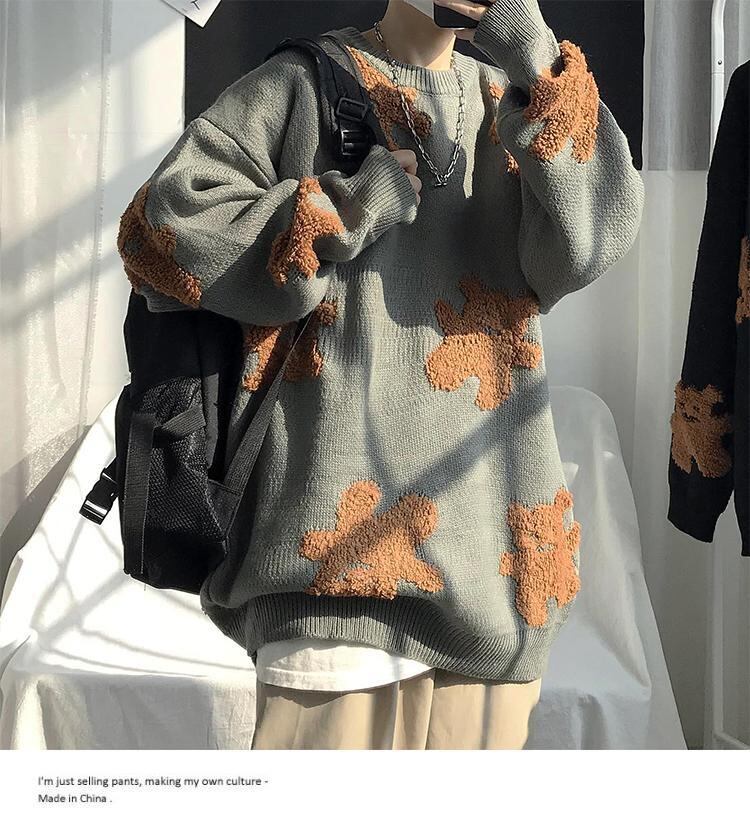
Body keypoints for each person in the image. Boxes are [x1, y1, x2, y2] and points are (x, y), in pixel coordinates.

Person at [117, 0, 645, 749]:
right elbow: (161, 231)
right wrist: (344, 208)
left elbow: (590, 242)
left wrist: (533, 56)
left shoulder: (516, 102)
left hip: (494, 590)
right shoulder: (299, 85)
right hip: (330, 583)